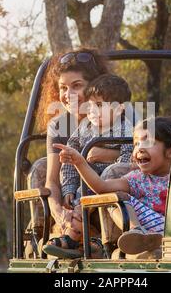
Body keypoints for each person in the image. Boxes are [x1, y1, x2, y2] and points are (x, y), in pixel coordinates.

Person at [29, 48, 122, 255]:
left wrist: (104, 155)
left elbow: (137, 155)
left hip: (106, 192)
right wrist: (59, 212)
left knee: (112, 171)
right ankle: (47, 234)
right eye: (63, 88)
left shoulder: (116, 112)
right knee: (40, 166)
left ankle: (108, 239)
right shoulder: (60, 124)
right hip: (74, 197)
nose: (68, 95)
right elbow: (52, 180)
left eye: (76, 86)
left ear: (95, 85)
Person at [54, 117, 171, 256]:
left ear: (170, 151)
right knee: (113, 197)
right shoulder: (137, 178)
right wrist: (80, 162)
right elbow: (101, 187)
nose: (139, 148)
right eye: (136, 143)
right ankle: (136, 232)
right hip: (151, 232)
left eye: (147, 141)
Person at [42, 74, 134, 258]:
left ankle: (73, 238)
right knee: (77, 190)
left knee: (109, 173)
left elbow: (128, 162)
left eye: (99, 106)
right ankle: (80, 238)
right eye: (90, 105)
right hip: (84, 184)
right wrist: (68, 188)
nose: (91, 111)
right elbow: (69, 157)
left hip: (110, 184)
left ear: (118, 110)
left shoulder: (127, 130)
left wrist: (108, 160)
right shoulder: (85, 127)